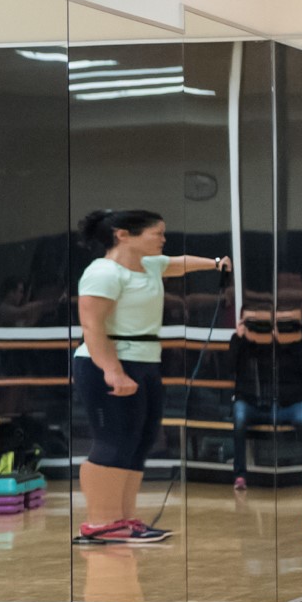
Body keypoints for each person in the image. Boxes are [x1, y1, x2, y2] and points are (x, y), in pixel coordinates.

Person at [69, 208, 228, 545]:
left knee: (138, 442)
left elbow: (179, 262)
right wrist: (113, 371)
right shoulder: (102, 273)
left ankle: (123, 521)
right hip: (105, 363)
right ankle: (99, 523)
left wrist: (215, 263)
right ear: (124, 235)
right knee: (112, 442)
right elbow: (92, 327)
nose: (163, 239)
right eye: (157, 233)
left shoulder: (149, 265)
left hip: (145, 361)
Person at [225, 307, 302, 492]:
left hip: (290, 404)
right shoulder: (243, 341)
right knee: (239, 415)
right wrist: (241, 339)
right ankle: (240, 476)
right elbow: (229, 368)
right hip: (255, 404)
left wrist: (288, 341)